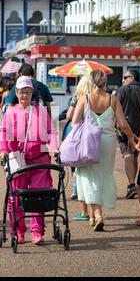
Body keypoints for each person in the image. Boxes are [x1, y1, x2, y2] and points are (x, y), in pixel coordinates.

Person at [71, 70, 135, 231]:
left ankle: (98, 215)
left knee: (90, 176)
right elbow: (123, 123)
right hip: (107, 142)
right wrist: (132, 137)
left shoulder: (84, 98)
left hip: (89, 142)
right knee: (104, 174)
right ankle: (93, 215)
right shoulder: (113, 99)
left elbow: (74, 122)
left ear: (91, 81)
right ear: (105, 81)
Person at [0, 76, 59, 245]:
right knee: (16, 197)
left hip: (39, 160)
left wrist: (54, 147)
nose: (24, 95)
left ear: (32, 92)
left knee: (38, 197)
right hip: (18, 160)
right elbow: (3, 133)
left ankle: (37, 231)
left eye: (27, 92)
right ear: (16, 93)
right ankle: (18, 231)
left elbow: (51, 132)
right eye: (21, 92)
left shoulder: (40, 111)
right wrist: (3, 150)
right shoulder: (11, 112)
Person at [115, 69, 140, 199]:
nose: (123, 80)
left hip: (125, 128)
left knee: (127, 155)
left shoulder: (122, 90)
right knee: (134, 156)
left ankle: (131, 185)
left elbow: (115, 108)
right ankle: (132, 184)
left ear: (132, 78)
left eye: (125, 77)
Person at [65, 74, 96, 220]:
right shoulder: (99, 97)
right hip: (95, 138)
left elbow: (70, 116)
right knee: (93, 175)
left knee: (79, 173)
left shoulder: (78, 97)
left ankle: (84, 212)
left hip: (81, 138)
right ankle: (94, 211)